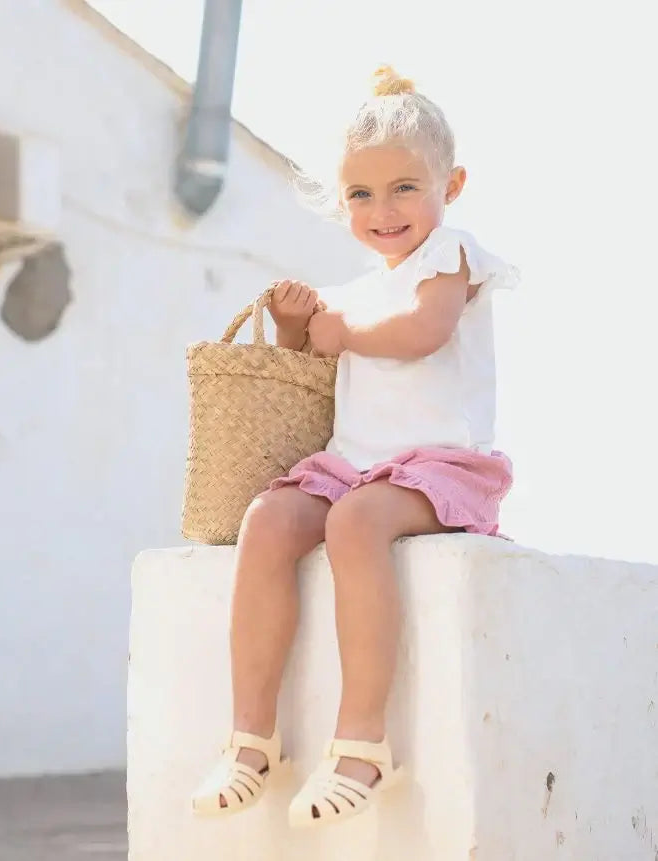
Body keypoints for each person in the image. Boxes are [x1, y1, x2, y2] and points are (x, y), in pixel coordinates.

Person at [191, 64, 518, 828]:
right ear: (341, 202)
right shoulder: (353, 290)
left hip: (440, 463)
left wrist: (337, 331)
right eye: (361, 194)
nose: (383, 209)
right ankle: (249, 736)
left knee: (357, 523)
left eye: (405, 186)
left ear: (452, 183)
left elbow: (421, 332)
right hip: (353, 463)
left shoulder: (451, 257)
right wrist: (301, 323)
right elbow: (317, 357)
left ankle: (362, 741)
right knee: (269, 519)